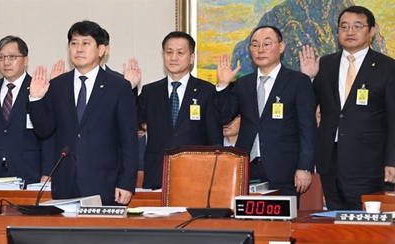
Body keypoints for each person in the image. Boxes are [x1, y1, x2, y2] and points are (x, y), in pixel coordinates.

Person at [28, 20, 138, 206]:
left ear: (102, 50)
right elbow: (44, 131)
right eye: (74, 43)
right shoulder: (58, 85)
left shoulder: (118, 87)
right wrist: (36, 99)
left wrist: (126, 183)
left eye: (85, 43)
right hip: (65, 183)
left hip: (105, 184)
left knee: (100, 235)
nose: (78, 49)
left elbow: (129, 141)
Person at [299, 6, 395, 210]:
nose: (350, 32)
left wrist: (392, 161)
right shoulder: (324, 65)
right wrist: (307, 78)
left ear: (372, 31)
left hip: (369, 164)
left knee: (367, 227)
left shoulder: (388, 68)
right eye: (344, 27)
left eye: (357, 26)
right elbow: (306, 109)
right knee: (335, 221)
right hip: (330, 162)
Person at [216, 25, 315, 198]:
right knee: (246, 221)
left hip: (284, 170)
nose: (260, 50)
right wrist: (223, 85)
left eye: (267, 44)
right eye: (255, 45)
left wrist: (304, 167)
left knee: (281, 223)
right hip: (247, 169)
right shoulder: (243, 84)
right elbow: (224, 117)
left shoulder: (298, 82)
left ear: (281, 46)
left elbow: (307, 128)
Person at [137, 31, 222, 189]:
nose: (173, 57)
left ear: (191, 58)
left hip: (196, 175)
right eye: (169, 52)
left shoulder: (206, 91)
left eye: (180, 52)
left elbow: (214, 136)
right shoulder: (150, 91)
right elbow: (132, 121)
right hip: (157, 174)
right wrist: (130, 88)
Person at [0, 35, 54, 186]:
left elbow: (48, 135)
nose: (6, 62)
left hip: (29, 171)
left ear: (26, 60)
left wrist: (47, 172)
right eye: (1, 57)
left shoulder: (40, 88)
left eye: (12, 57)